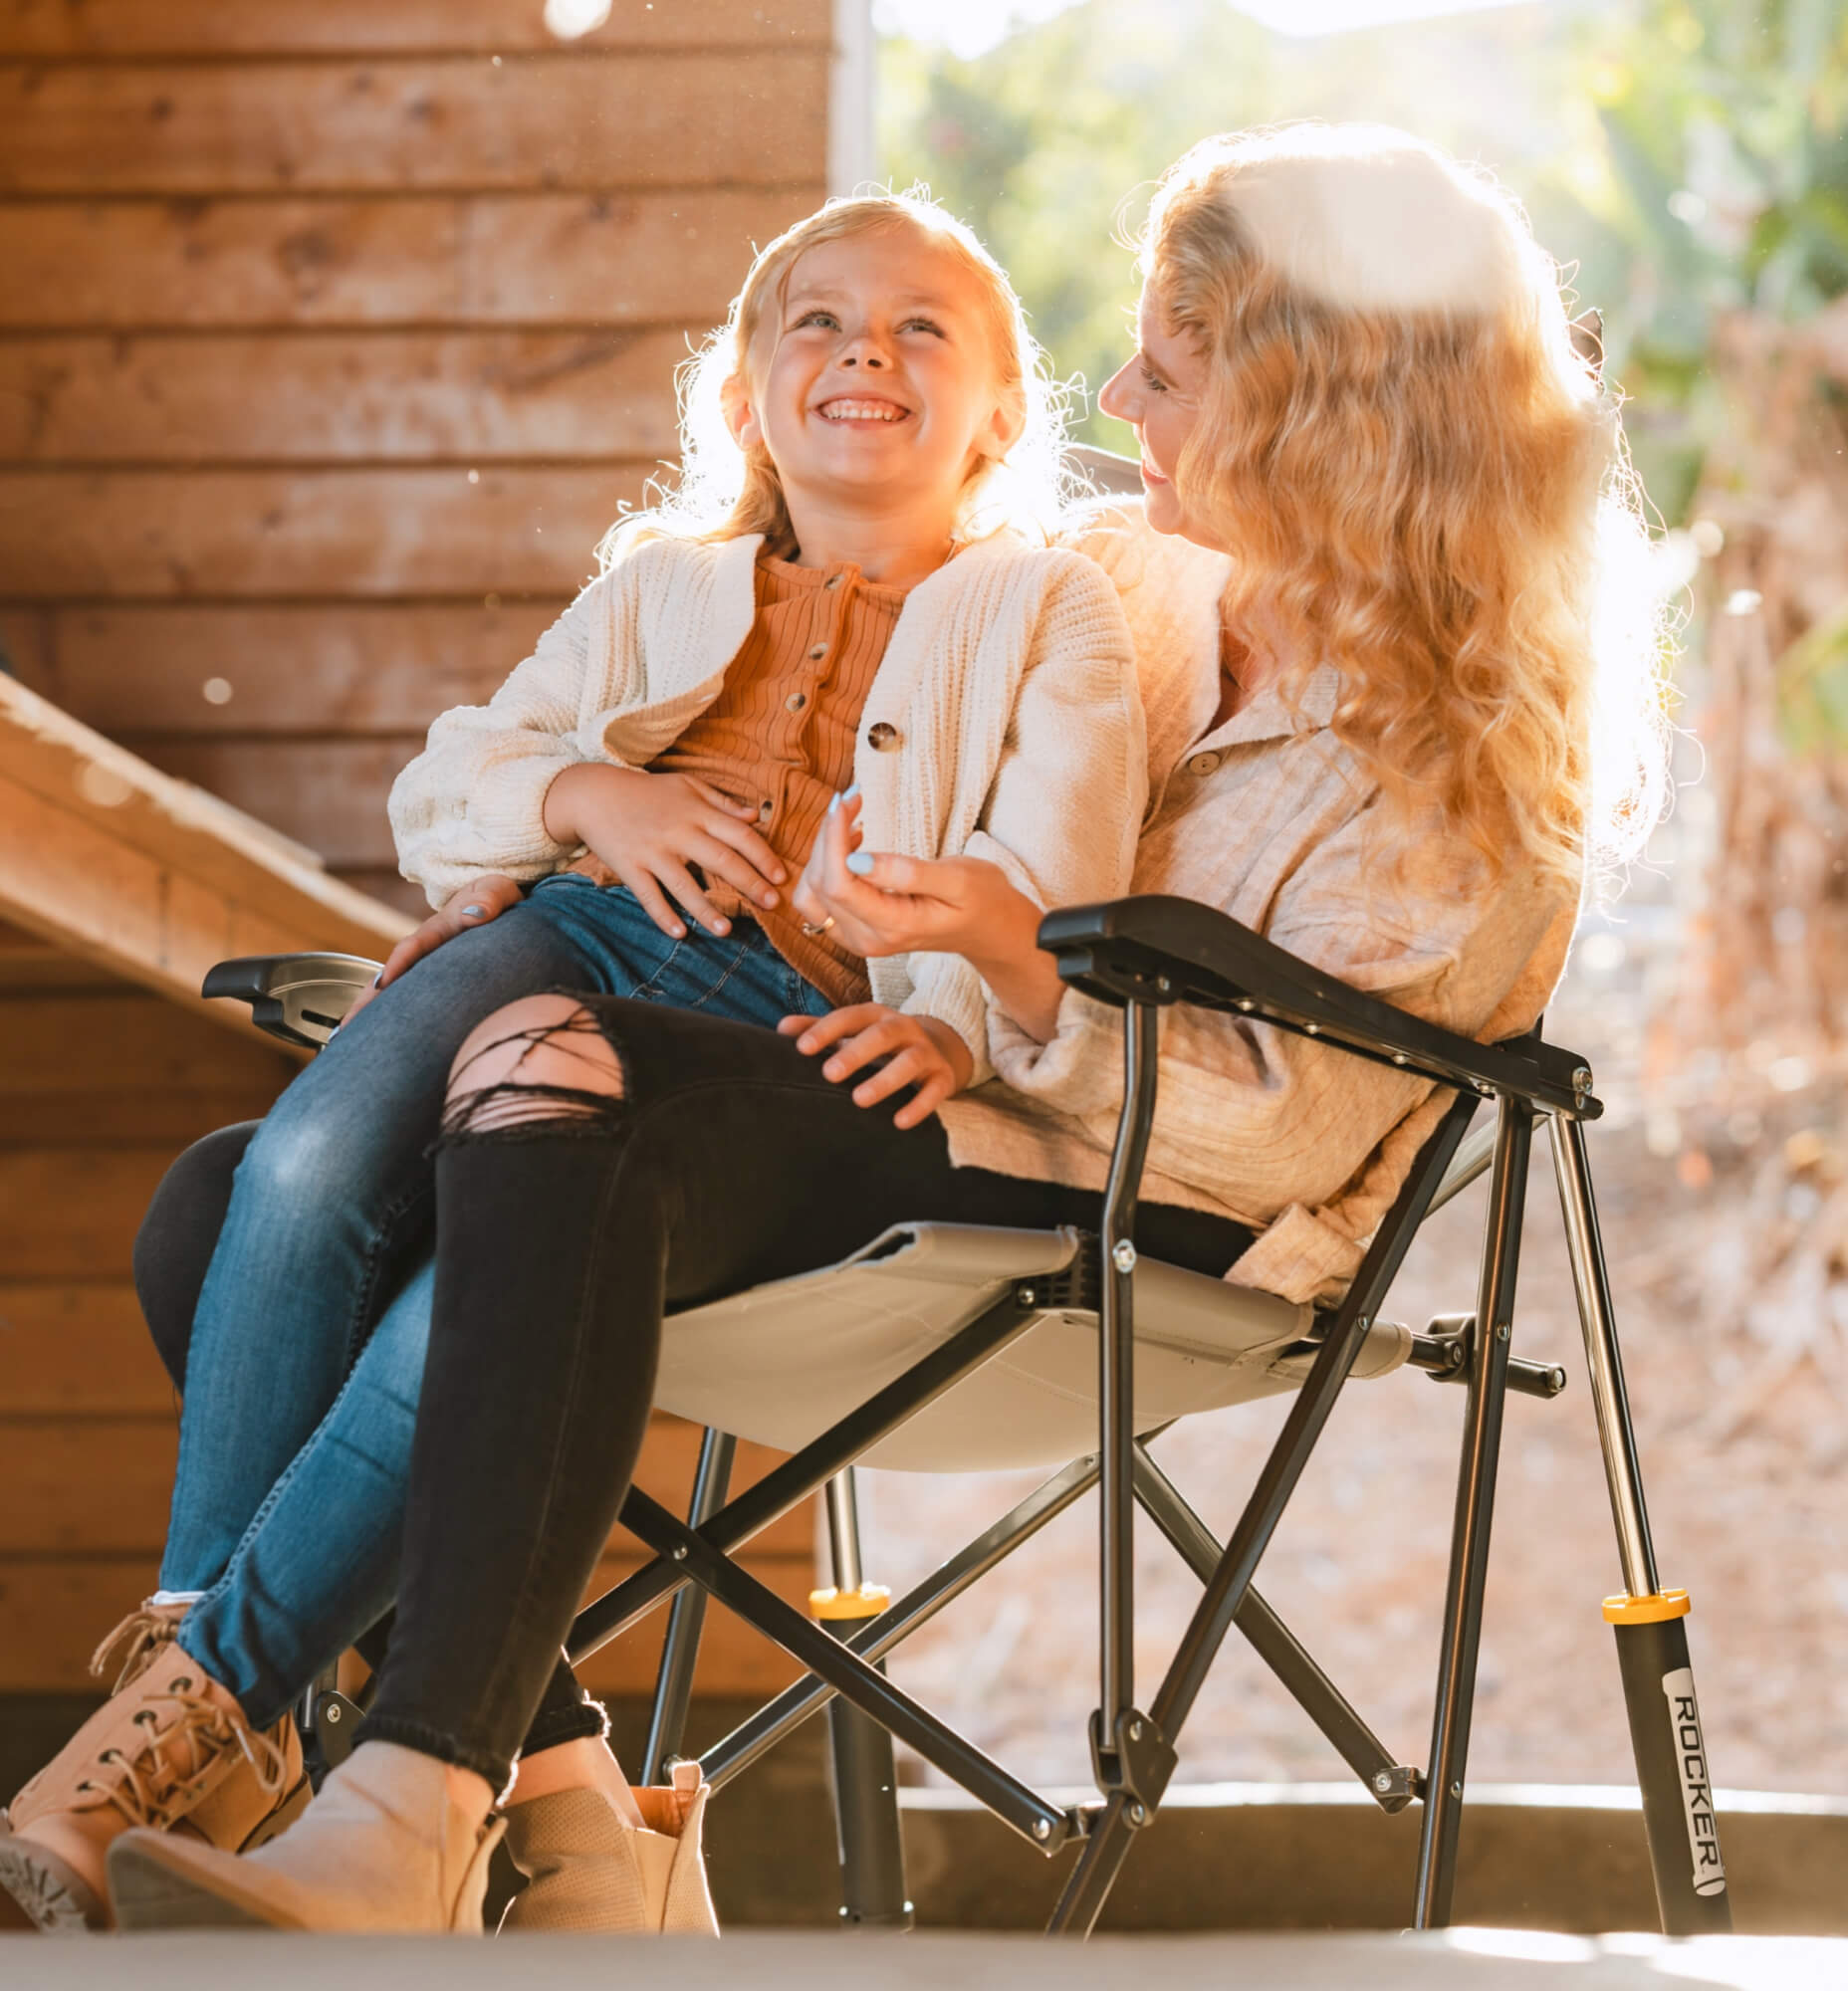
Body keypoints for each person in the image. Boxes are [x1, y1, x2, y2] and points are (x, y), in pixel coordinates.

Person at [127, 120, 1668, 1935]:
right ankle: (566, 1821)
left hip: (1127, 1213)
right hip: (878, 1088)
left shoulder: (1476, 780)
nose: (1117, 400)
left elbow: (1287, 1131)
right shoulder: (1115, 581)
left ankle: (393, 1789)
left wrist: (1020, 975)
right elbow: (822, 738)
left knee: (562, 1090)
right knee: (241, 1196)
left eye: (1166, 375)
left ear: (1310, 415)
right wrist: (541, 874)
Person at [0, 189, 1147, 1936]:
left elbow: (1055, 889)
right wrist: (596, 798)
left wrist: (949, 1014)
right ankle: (219, 1702)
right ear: (746, 395)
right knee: (281, 1175)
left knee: (453, 1276)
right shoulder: (658, 587)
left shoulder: (1051, 608)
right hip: (565, 937)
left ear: (994, 414)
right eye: (819, 322)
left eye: (923, 328)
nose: (866, 354)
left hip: (768, 1030)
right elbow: (451, 786)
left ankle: (184, 1733)